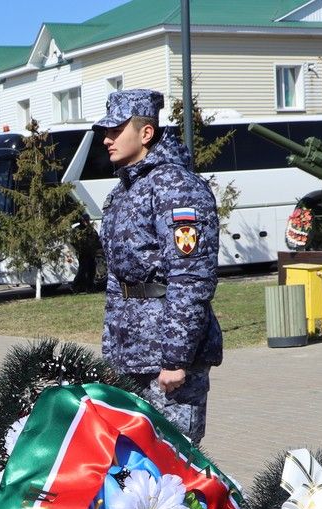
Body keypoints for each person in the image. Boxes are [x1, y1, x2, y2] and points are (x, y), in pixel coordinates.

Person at [95, 89, 221, 444]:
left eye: (116, 130)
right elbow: (118, 279)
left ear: (146, 133)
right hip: (130, 352)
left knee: (176, 463)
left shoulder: (177, 187)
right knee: (137, 467)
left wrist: (176, 358)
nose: (107, 139)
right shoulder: (123, 191)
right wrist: (113, 351)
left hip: (167, 355)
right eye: (106, 131)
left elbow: (191, 277)